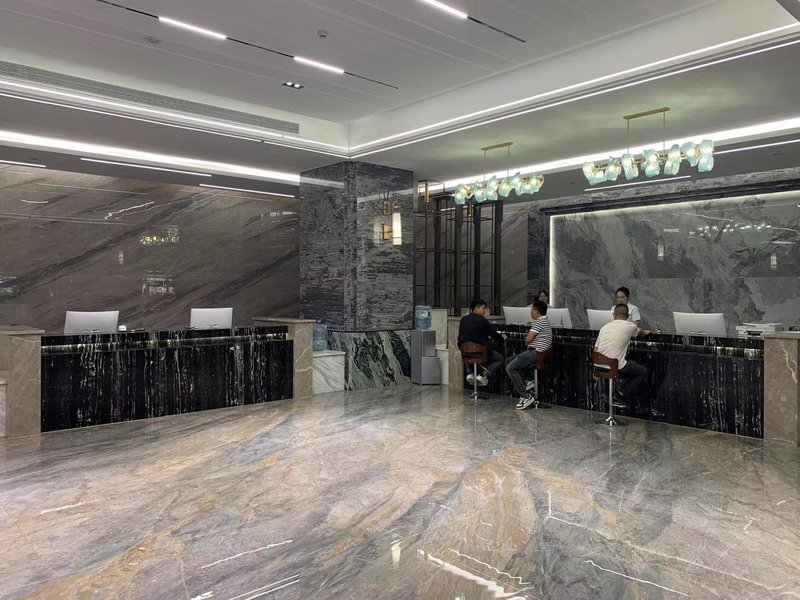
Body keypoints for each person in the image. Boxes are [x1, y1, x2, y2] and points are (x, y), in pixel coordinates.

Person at [594, 304, 650, 402]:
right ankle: (621, 393)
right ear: (628, 316)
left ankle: (608, 395)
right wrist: (649, 331)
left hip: (599, 366)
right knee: (643, 372)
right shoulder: (630, 326)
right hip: (615, 367)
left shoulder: (604, 327)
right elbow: (642, 332)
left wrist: (595, 369)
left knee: (630, 365)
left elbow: (596, 348)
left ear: (614, 315)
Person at [505, 300, 552, 410]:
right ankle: (527, 382)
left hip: (535, 352)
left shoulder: (539, 322)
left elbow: (528, 339)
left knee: (510, 368)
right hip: (540, 353)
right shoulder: (546, 321)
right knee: (508, 361)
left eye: (532, 310)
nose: (531, 312)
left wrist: (528, 340)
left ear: (537, 311)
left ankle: (526, 396)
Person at [458, 299, 507, 386]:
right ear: (476, 308)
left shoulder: (463, 319)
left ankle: (470, 373)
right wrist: (502, 337)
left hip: (465, 352)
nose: (485, 311)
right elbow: (493, 333)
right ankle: (483, 375)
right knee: (500, 358)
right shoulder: (482, 320)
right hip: (479, 352)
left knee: (469, 348)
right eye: (483, 308)